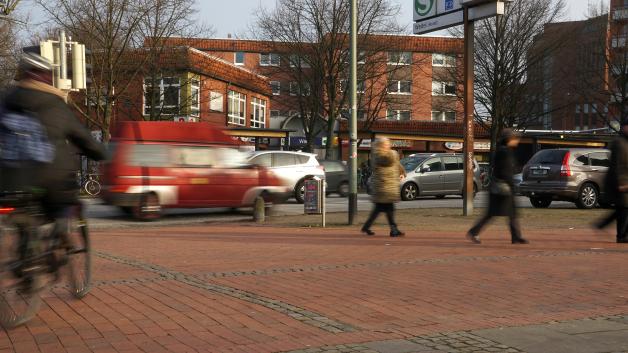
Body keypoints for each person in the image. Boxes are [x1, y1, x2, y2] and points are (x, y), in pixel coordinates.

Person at [1, 52, 106, 229]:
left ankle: (23, 245)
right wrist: (101, 153)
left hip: (10, 178)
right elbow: (82, 137)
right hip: (51, 177)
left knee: (19, 208)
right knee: (63, 204)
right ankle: (62, 235)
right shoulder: (54, 103)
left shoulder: (5, 100)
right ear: (46, 77)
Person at [466, 129, 528, 244]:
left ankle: (515, 236)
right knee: (493, 213)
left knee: (511, 213)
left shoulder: (503, 150)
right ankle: (474, 232)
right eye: (516, 138)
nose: (518, 141)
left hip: (499, 187)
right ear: (510, 139)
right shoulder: (505, 152)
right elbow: (505, 171)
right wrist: (512, 183)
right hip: (501, 188)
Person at [361, 138, 406, 237]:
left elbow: (397, 165)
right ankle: (393, 230)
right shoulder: (380, 156)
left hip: (385, 187)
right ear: (381, 146)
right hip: (384, 187)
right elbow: (390, 160)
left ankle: (367, 227)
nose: (388, 146)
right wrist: (395, 153)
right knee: (389, 209)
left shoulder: (385, 155)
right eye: (386, 144)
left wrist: (402, 172)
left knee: (379, 210)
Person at [596, 118, 628, 243]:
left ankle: (604, 225)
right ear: (624, 127)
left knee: (622, 209)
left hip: (624, 181)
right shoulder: (619, 143)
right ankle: (621, 236)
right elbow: (617, 165)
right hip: (620, 182)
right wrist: (621, 183)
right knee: (623, 209)